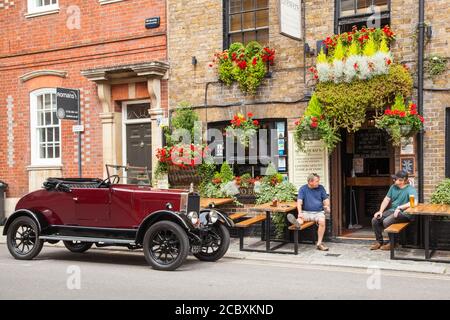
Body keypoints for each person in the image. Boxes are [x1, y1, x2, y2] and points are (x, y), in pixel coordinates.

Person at [370, 170, 418, 251]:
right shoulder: (393, 187)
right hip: (393, 211)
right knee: (375, 220)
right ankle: (379, 241)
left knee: (386, 221)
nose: (394, 180)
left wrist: (400, 208)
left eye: (396, 179)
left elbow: (414, 203)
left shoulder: (410, 189)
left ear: (403, 180)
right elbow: (386, 199)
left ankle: (393, 243)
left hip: (405, 214)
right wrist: (380, 211)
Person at [287, 173, 330, 251]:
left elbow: (326, 200)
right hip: (306, 212)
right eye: (317, 181)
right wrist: (300, 212)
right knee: (300, 219)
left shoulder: (321, 188)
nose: (318, 183)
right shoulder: (303, 189)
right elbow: (299, 202)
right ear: (310, 182)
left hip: (318, 213)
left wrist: (327, 206)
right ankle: (297, 222)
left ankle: (319, 243)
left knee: (322, 221)